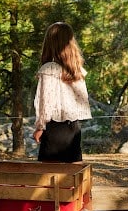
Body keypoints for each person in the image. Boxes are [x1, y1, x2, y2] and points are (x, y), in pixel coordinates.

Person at [33, 22, 92, 163]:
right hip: (74, 127)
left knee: (48, 177)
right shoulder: (76, 70)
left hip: (54, 127)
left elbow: (45, 101)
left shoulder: (49, 69)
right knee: (72, 175)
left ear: (50, 43)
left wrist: (40, 127)